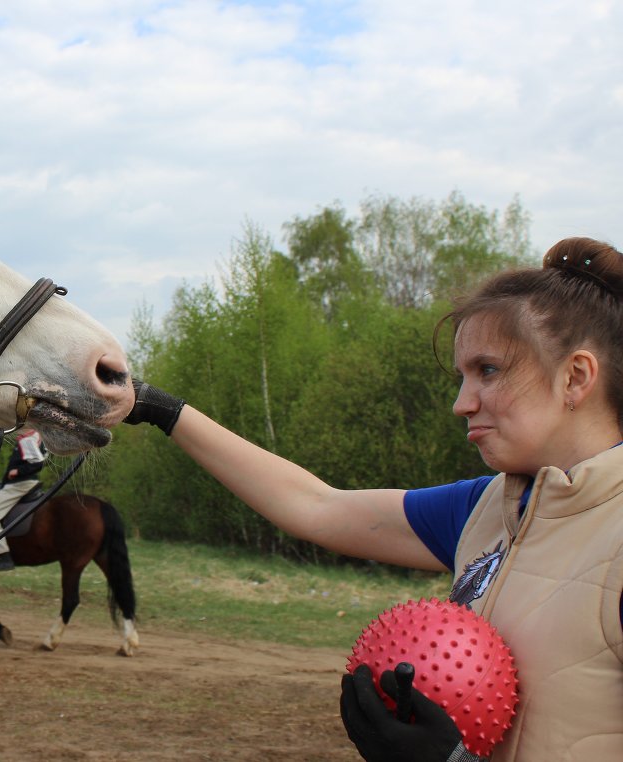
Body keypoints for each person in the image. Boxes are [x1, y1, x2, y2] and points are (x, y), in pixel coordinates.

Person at [123, 236, 623, 761]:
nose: (461, 403)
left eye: (488, 370)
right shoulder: (488, 509)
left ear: (576, 376)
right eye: (462, 377)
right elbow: (317, 507)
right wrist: (158, 408)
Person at [0, 427, 47, 573]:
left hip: (19, 484)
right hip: (23, 482)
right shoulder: (38, 437)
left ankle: (3, 557)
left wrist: (17, 471)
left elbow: (37, 464)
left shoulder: (28, 439)